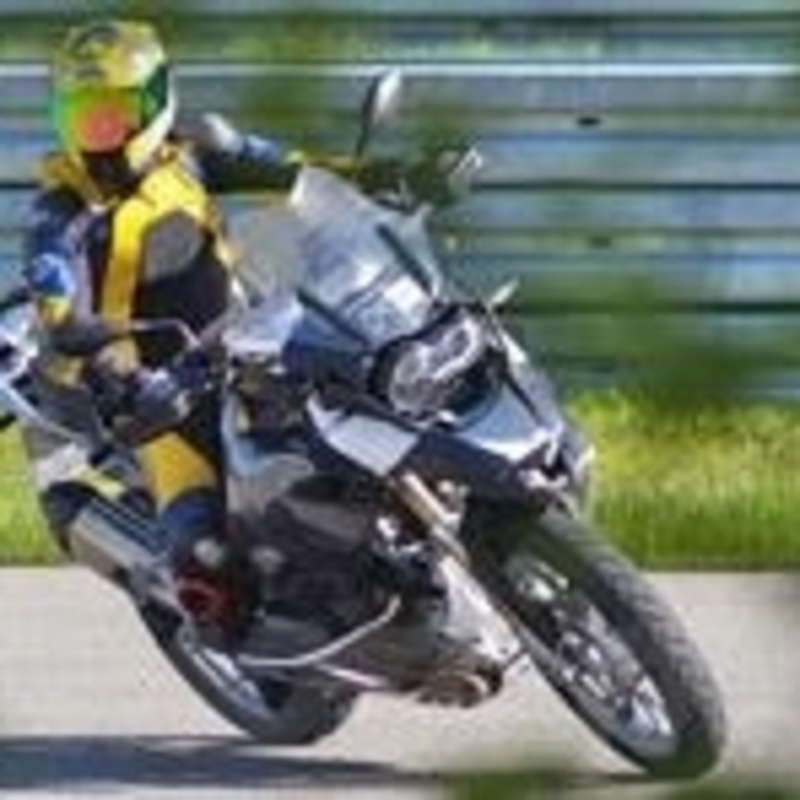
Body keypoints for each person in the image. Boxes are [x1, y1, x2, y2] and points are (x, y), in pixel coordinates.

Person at [22, 18, 419, 626]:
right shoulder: (62, 210)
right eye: (84, 117)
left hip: (250, 340)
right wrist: (106, 363)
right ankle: (231, 629)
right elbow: (55, 301)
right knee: (202, 546)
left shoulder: (195, 152)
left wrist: (394, 175)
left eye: (113, 115)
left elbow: (303, 172)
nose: (98, 135)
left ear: (156, 103)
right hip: (155, 389)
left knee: (370, 412)